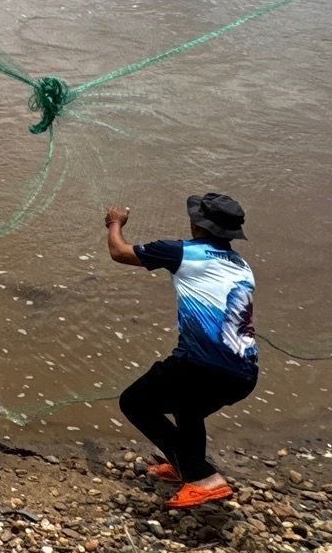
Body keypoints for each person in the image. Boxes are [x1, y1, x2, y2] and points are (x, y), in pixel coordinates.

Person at [104, 192, 256, 510]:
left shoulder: (181, 252)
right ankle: (183, 465)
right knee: (189, 409)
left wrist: (115, 223)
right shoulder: (242, 266)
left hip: (202, 366)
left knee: (135, 403)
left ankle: (203, 478)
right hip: (244, 372)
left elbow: (119, 252)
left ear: (197, 224)